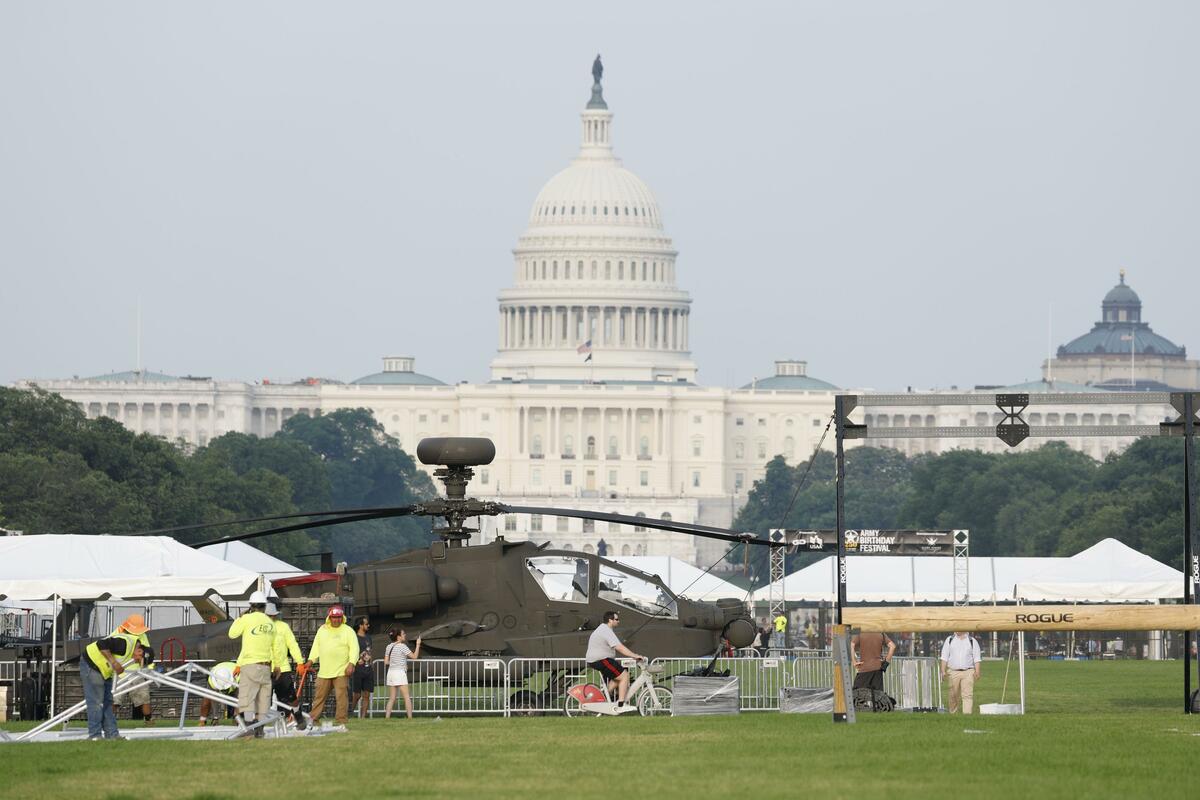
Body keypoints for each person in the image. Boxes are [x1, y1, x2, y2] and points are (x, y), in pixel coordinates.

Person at [79, 620, 152, 740]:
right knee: (96, 703)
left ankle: (112, 735)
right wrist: (113, 662)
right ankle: (95, 736)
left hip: (103, 670)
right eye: (140, 659)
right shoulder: (125, 643)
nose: (138, 661)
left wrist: (116, 665)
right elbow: (101, 644)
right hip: (90, 664)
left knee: (108, 702)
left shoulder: (131, 649)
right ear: (140, 651)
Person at [227, 590, 276, 736]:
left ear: (251, 605)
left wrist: (240, 618)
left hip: (250, 664)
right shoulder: (270, 622)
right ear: (264, 606)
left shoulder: (247, 619)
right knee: (263, 700)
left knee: (247, 700)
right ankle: (259, 729)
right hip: (266, 666)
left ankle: (249, 727)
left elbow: (232, 634)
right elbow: (274, 646)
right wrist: (276, 665)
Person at [305, 605, 359, 726]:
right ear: (329, 617)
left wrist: (351, 663)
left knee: (341, 697)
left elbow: (354, 648)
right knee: (319, 697)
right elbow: (316, 647)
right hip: (324, 671)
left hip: (341, 670)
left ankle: (341, 720)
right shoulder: (322, 630)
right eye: (334, 617)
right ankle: (314, 719)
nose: (337, 620)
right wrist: (310, 660)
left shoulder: (348, 630)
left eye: (339, 617)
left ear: (342, 617)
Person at [585, 610, 643, 709]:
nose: (618, 621)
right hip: (601, 659)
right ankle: (621, 704)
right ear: (610, 620)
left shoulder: (604, 629)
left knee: (618, 677)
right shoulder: (606, 630)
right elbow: (619, 647)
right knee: (625, 676)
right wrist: (634, 655)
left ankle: (604, 694)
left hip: (598, 659)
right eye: (616, 619)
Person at [112, 614, 154, 726]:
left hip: (137, 673)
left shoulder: (142, 635)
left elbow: (147, 652)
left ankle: (149, 721)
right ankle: (108, 722)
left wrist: (147, 667)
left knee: (144, 699)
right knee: (114, 700)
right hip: (120, 673)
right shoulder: (117, 633)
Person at [267, 602, 303, 722]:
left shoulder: (283, 626)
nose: (271, 617)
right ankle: (258, 726)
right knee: (264, 700)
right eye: (268, 615)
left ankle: (297, 718)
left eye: (272, 615)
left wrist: (299, 662)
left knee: (289, 698)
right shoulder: (259, 628)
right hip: (265, 668)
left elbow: (292, 644)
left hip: (283, 668)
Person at [383, 628, 422, 719]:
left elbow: (386, 662)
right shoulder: (402, 646)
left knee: (392, 698)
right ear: (398, 636)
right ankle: (410, 717)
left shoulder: (389, 646)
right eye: (403, 634)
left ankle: (387, 717)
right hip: (399, 673)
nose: (405, 635)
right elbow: (414, 657)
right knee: (406, 697)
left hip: (391, 673)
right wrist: (418, 644)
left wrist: (397, 663)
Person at [940, 631, 982, 714]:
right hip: (953, 672)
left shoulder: (972, 641)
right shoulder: (950, 640)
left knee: (967, 695)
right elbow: (944, 657)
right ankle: (953, 713)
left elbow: (977, 658)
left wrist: (977, 671)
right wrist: (943, 671)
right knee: (953, 695)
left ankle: (967, 716)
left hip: (968, 672)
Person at [199, 661, 238, 725]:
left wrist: (236, 716)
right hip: (219, 670)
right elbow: (214, 699)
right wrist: (215, 717)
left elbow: (240, 699)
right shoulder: (212, 680)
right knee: (207, 698)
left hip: (236, 673)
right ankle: (202, 721)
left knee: (242, 698)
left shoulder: (239, 677)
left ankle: (238, 719)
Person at [351, 616, 374, 718]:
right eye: (366, 624)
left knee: (366, 695)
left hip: (368, 669)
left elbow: (370, 651)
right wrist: (356, 661)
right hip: (357, 669)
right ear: (360, 625)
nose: (368, 625)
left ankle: (363, 717)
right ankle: (349, 713)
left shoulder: (369, 637)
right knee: (356, 695)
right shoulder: (354, 637)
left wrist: (371, 662)